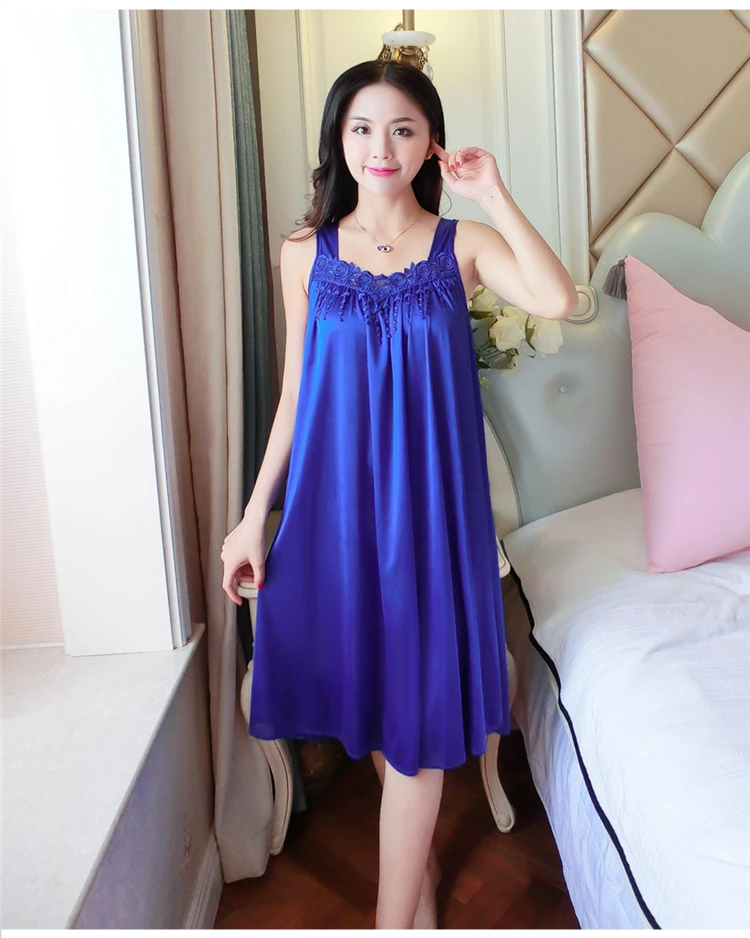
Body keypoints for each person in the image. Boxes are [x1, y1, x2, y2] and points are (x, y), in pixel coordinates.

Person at [221, 58, 577, 929]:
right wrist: (252, 518)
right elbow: (295, 397)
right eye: (362, 128)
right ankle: (416, 881)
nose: (381, 147)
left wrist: (493, 192)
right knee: (382, 706)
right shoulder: (304, 253)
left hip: (432, 518)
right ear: (339, 140)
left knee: (414, 721)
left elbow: (558, 299)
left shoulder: (463, 247)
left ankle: (392, 921)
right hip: (336, 517)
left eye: (403, 129)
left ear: (430, 145)